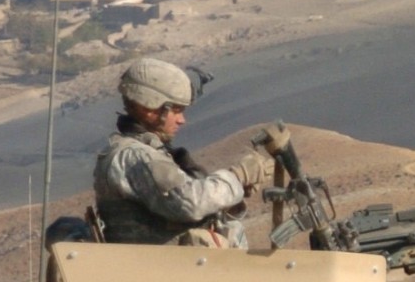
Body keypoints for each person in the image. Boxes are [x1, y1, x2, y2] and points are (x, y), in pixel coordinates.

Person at [92, 59, 278, 247]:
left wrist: (231, 197)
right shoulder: (136, 156)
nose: (182, 120)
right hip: (161, 270)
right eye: (176, 110)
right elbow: (190, 203)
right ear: (148, 109)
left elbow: (176, 211)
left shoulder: (145, 153)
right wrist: (237, 177)